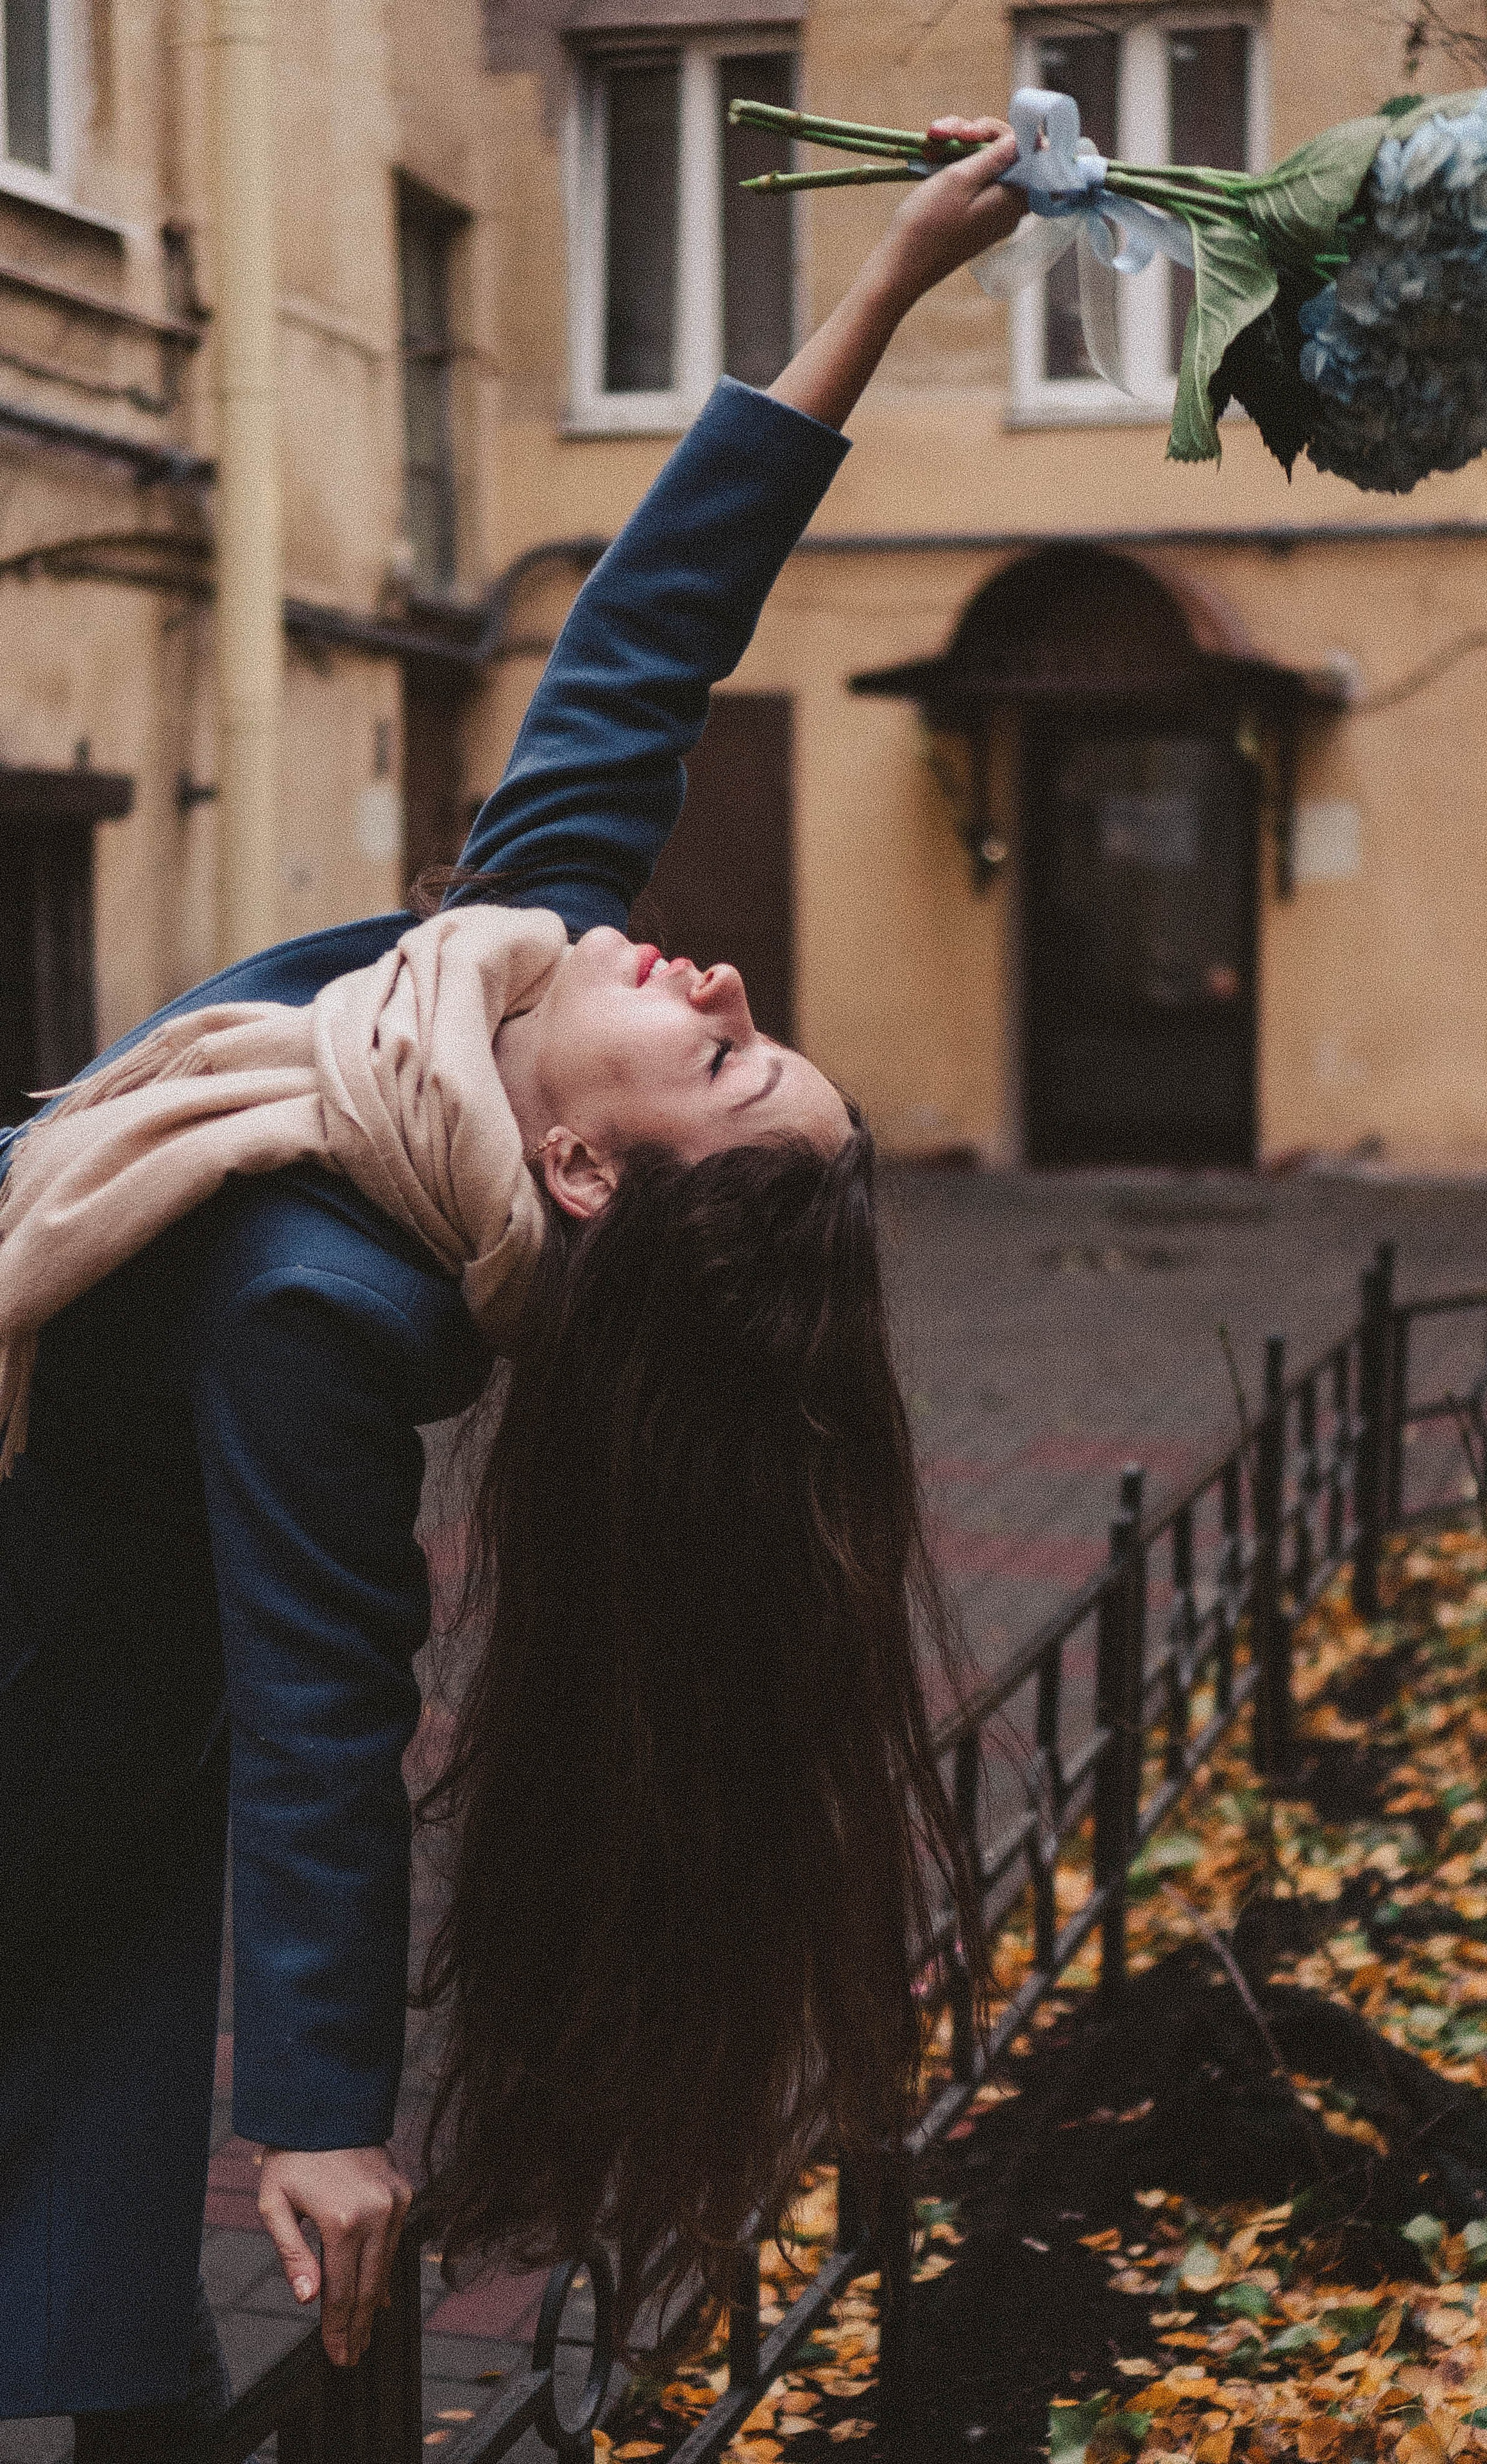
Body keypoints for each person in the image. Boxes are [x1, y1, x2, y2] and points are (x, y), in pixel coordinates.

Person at [0, 119, 1024, 2455]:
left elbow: (329, 1707)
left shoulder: (321, 1300)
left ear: (576, 1169)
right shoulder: (493, 975)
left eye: (728, 1059)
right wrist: (885, 284)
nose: (728, 976)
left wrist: (325, 2116)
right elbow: (653, 625)